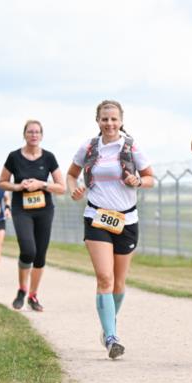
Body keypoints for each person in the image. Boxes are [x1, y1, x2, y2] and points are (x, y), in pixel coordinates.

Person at [66, 100, 154, 358]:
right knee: (105, 278)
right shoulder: (89, 147)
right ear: (98, 121)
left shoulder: (131, 147)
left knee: (118, 282)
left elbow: (150, 178)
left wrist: (138, 180)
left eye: (114, 119)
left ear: (121, 120)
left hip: (126, 220)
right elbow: (71, 175)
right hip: (97, 217)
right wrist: (74, 190)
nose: (109, 124)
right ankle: (112, 337)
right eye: (105, 119)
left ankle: (108, 325)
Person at [0, 119, 65, 311]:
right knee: (28, 250)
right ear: (24, 134)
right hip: (22, 209)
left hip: (44, 210)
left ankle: (33, 295)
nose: (34, 135)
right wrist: (18, 186)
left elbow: (61, 187)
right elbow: (2, 182)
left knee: (40, 256)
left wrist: (41, 184)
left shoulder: (49, 157)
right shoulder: (14, 157)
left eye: (37, 132)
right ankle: (22, 289)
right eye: (30, 132)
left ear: (42, 135)